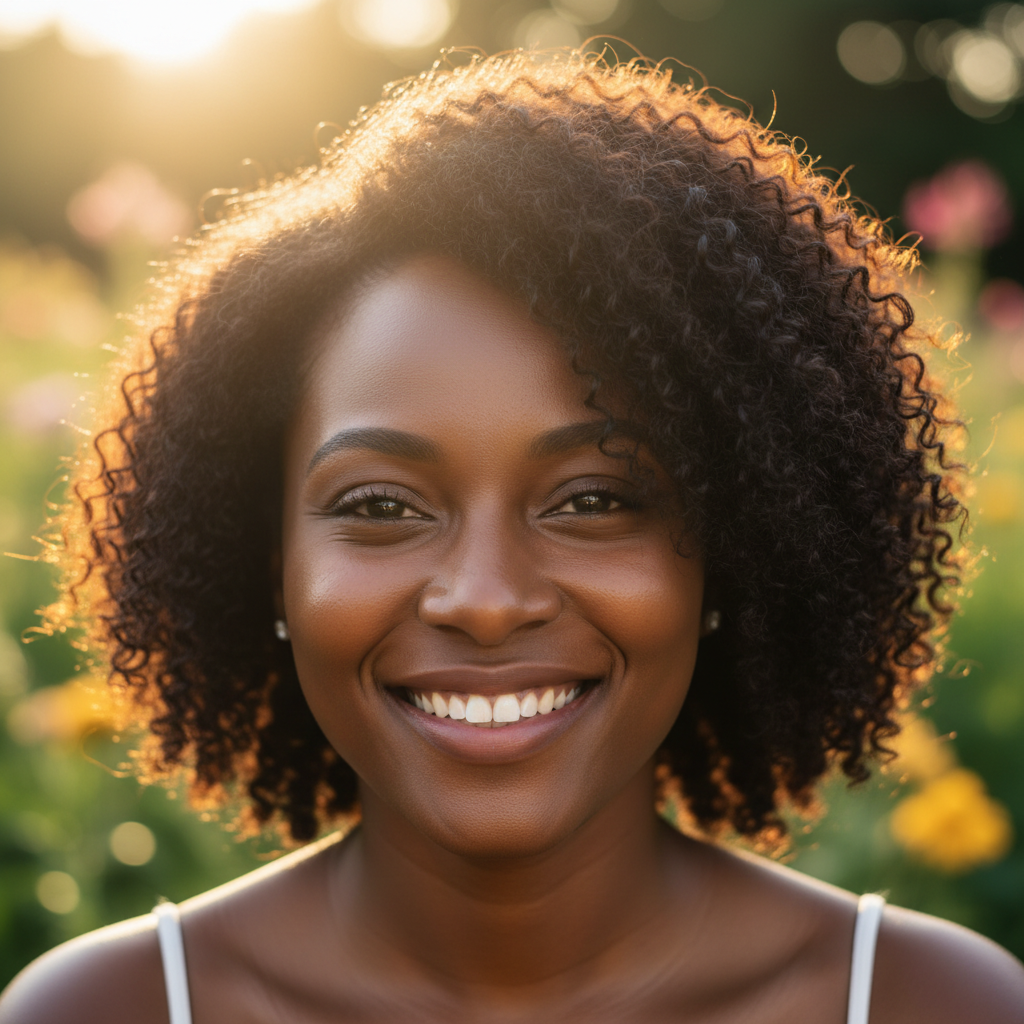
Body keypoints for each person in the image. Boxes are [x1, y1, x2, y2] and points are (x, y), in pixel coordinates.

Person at [2, 48, 1023, 1024]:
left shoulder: (930, 1006)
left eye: (591, 499)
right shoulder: (105, 1013)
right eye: (380, 507)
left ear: (734, 546)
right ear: (268, 566)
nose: (485, 599)